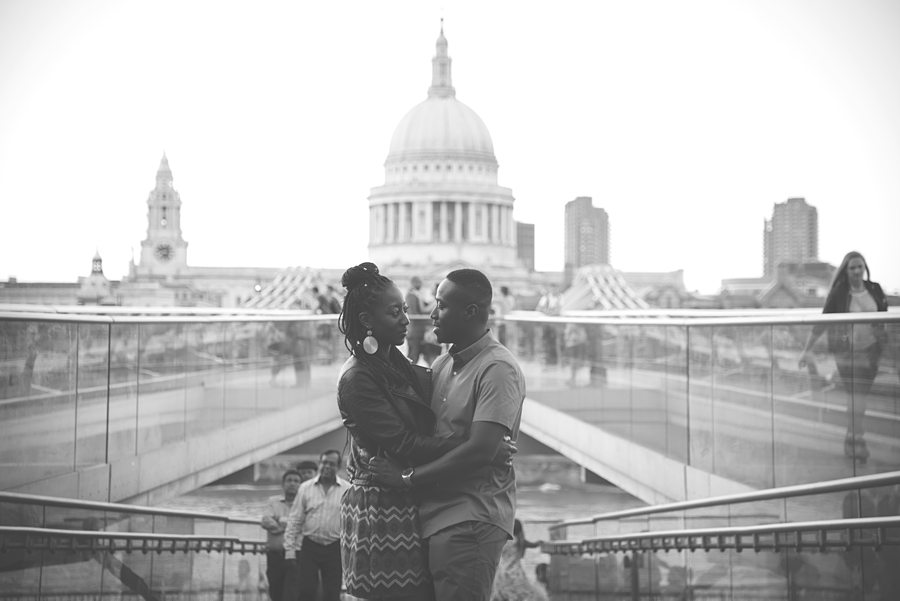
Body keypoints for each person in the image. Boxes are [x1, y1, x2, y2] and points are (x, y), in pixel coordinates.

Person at [371, 268, 526, 601]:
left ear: (470, 311)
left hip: (470, 517)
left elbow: (480, 452)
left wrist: (406, 478)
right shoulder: (442, 365)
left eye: (441, 305)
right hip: (435, 516)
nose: (431, 314)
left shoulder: (498, 369)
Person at [336, 262, 469, 600]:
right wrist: (472, 445)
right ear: (367, 320)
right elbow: (404, 443)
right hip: (379, 512)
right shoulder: (358, 378)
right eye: (395, 312)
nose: (406, 320)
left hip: (403, 499)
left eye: (405, 310)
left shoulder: (391, 362)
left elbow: (442, 394)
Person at [799, 251, 889, 463]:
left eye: (860, 266)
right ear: (846, 271)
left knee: (860, 398)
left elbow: (885, 320)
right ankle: (858, 442)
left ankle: (851, 438)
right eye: (852, 268)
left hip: (870, 353)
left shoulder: (874, 289)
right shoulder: (840, 293)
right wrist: (807, 349)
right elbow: (823, 322)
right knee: (856, 396)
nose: (857, 271)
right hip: (847, 355)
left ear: (865, 267)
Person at [283, 450, 349, 601]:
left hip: (335, 547)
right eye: (324, 462)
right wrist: (289, 551)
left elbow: (352, 523)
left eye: (331, 464)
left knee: (332, 593)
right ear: (320, 464)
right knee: (305, 591)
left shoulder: (347, 489)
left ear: (338, 467)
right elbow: (295, 520)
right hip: (310, 546)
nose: (327, 466)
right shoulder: (305, 488)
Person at [260, 469, 304, 601]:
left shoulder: (304, 504)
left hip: (296, 556)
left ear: (301, 485)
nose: (292, 483)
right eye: (289, 480)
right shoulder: (273, 502)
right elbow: (266, 520)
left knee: (291, 594)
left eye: (296, 481)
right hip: (275, 556)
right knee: (275, 593)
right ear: (283, 484)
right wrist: (287, 526)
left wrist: (281, 522)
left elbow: (305, 525)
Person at [490, 519, 547, 601]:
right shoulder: (520, 541)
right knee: (521, 592)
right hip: (515, 571)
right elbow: (533, 545)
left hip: (502, 571)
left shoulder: (503, 540)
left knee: (502, 591)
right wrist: (539, 542)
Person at [405, 275, 437, 366]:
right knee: (414, 357)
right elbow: (420, 311)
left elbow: (424, 310)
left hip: (423, 332)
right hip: (417, 332)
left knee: (429, 357)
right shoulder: (412, 296)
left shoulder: (415, 296)